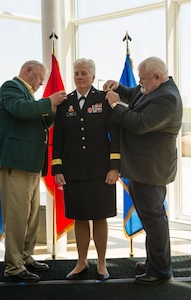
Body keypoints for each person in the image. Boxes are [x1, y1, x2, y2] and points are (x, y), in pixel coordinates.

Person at [103, 56, 182, 284]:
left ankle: (160, 270)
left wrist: (116, 105)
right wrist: (119, 88)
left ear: (157, 78)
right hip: (143, 168)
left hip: (150, 170)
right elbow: (135, 94)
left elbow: (138, 124)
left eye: (143, 79)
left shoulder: (167, 98)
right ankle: (154, 262)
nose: (140, 83)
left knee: (154, 220)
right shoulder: (155, 89)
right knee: (150, 219)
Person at [0, 60, 67, 282]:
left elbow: (40, 123)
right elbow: (21, 110)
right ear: (27, 71)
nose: (41, 84)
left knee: (31, 217)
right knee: (17, 217)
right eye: (39, 79)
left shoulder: (29, 97)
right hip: (16, 164)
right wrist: (48, 101)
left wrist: (52, 109)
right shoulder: (10, 88)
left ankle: (25, 258)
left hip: (32, 165)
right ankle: (13, 267)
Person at [52, 58, 120, 281]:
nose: (79, 77)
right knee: (80, 217)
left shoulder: (103, 99)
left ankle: (101, 263)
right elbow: (59, 137)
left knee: (100, 217)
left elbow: (114, 136)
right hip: (73, 170)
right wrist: (57, 168)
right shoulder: (65, 102)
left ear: (93, 76)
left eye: (84, 73)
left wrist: (114, 167)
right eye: (76, 73)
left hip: (101, 171)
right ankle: (81, 262)